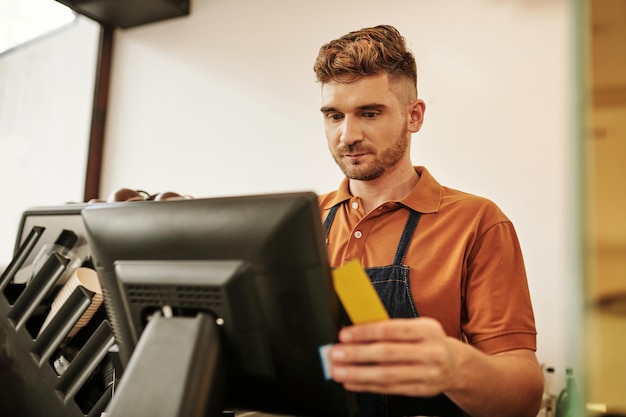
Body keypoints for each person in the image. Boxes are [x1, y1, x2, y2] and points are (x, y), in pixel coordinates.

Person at [313, 25, 544, 417]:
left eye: (369, 113)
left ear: (414, 115)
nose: (347, 135)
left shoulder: (478, 222)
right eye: (334, 115)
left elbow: (524, 398)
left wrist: (455, 368)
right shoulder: (304, 222)